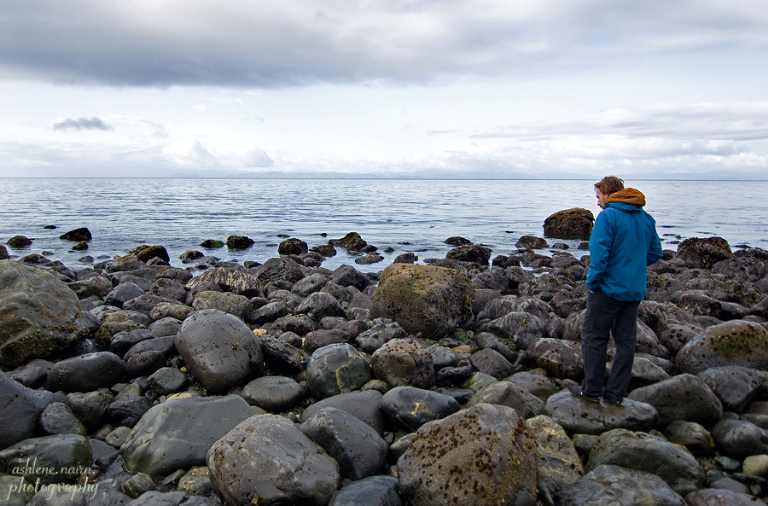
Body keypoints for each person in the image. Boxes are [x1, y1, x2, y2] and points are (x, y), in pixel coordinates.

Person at [569, 176, 662, 405]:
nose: (598, 202)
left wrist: (592, 283)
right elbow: (655, 252)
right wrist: (632, 266)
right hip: (634, 290)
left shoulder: (608, 216)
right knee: (626, 342)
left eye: (599, 196)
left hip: (607, 289)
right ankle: (615, 394)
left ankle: (591, 391)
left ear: (609, 194)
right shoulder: (646, 218)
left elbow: (600, 255)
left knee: (593, 337)